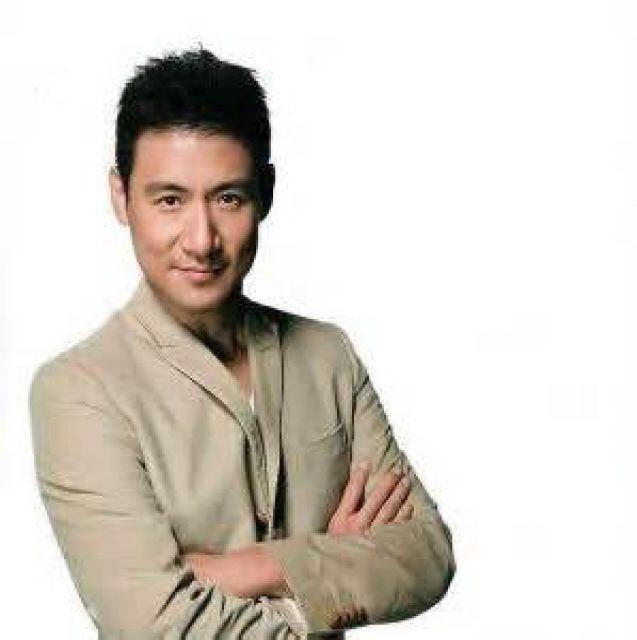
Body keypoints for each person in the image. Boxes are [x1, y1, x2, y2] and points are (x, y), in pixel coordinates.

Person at [28, 45, 455, 639]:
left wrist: (250, 568)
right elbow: (152, 626)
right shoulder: (79, 391)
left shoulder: (327, 355)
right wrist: (325, 569)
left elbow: (429, 554)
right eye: (170, 200)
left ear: (266, 193)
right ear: (121, 197)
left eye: (228, 197)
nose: (201, 239)